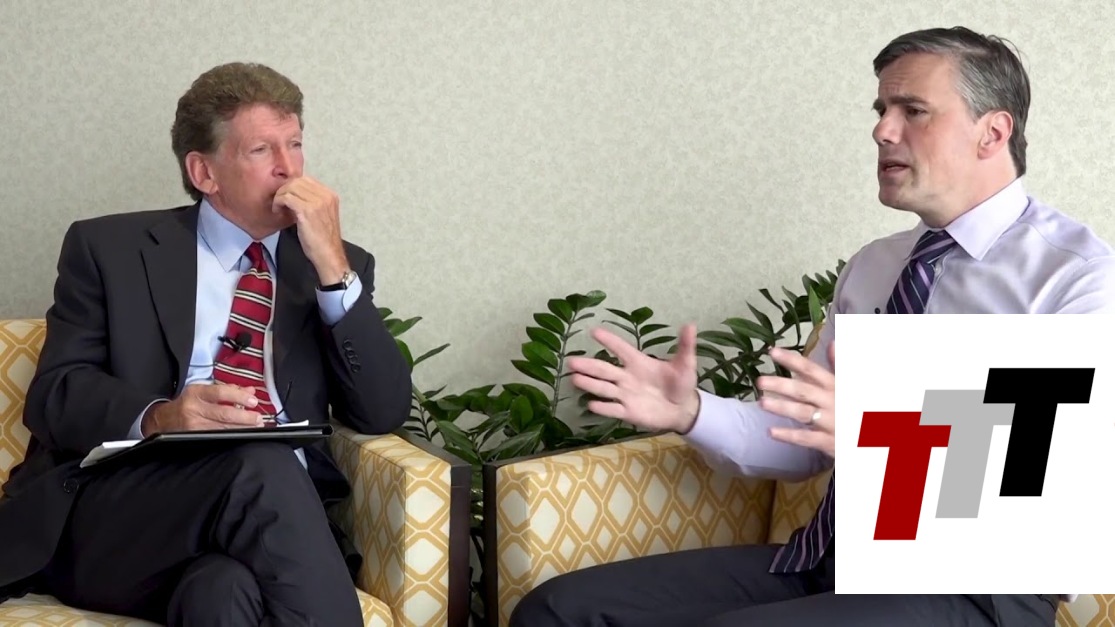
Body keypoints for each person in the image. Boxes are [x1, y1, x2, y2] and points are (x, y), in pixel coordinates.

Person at [510, 26, 1115, 627]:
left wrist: (875, 429)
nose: (883, 130)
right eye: (881, 110)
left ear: (993, 132)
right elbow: (804, 438)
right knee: (559, 612)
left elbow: (1043, 472)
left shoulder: (1074, 278)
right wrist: (690, 411)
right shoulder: (875, 267)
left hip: (977, 585)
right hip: (828, 560)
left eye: (913, 111)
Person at [0, 62, 411, 626]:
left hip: (263, 526)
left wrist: (333, 269)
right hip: (125, 514)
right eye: (262, 150)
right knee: (259, 462)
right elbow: (56, 396)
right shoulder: (110, 249)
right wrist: (162, 416)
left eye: (294, 144)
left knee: (221, 594)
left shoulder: (335, 265)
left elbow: (382, 411)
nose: (289, 168)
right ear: (204, 172)